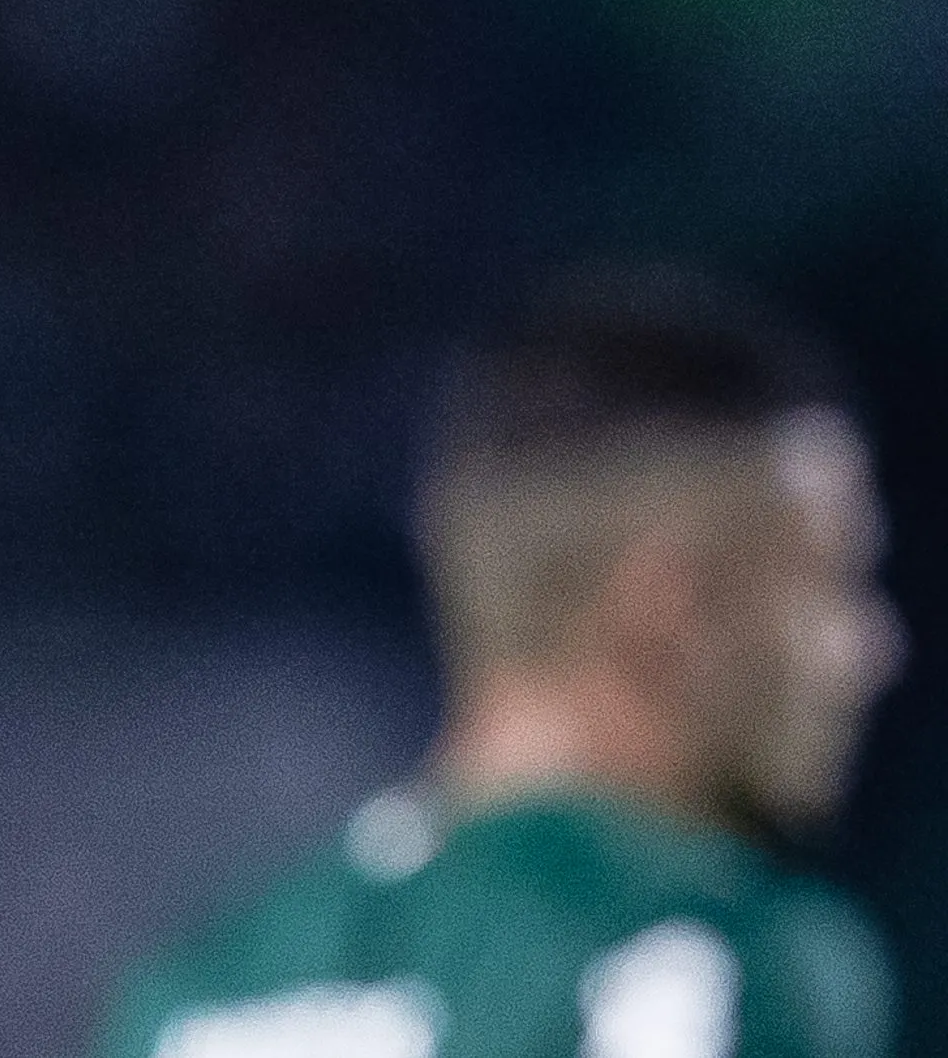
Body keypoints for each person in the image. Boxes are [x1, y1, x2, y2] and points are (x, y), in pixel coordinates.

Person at [96, 271, 907, 1058]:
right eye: (833, 585)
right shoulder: (713, 957)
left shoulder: (195, 989)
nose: (876, 651)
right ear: (671, 607)